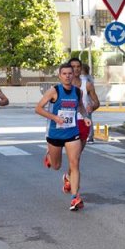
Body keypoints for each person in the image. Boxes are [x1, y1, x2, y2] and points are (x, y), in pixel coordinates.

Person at [35, 63, 91, 211]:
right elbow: (38, 108)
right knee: (56, 166)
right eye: (64, 73)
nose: (67, 76)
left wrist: (85, 117)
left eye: (69, 73)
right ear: (60, 76)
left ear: (73, 75)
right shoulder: (54, 91)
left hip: (72, 132)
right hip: (55, 133)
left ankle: (75, 198)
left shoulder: (78, 91)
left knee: (75, 163)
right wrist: (54, 117)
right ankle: (49, 156)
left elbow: (80, 106)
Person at [70, 57, 100, 146]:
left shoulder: (87, 85)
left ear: (81, 68)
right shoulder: (63, 85)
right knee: (73, 155)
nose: (76, 69)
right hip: (67, 123)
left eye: (78, 66)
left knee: (77, 154)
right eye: (73, 66)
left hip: (82, 121)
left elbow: (97, 103)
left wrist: (92, 107)